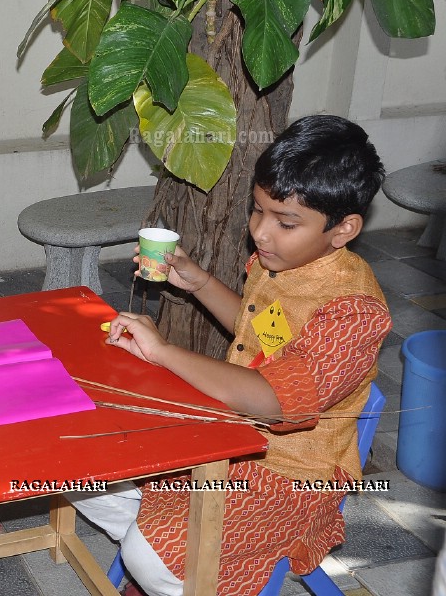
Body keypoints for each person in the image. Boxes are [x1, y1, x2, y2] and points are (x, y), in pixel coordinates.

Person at [68, 115, 392, 596]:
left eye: (285, 223)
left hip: (291, 479)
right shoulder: (280, 264)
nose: (261, 234)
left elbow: (276, 402)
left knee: (145, 550)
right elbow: (269, 334)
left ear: (343, 230)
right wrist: (197, 281)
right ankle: (169, 551)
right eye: (257, 211)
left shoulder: (355, 313)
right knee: (78, 466)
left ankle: (168, 562)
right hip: (228, 433)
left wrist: (164, 352)